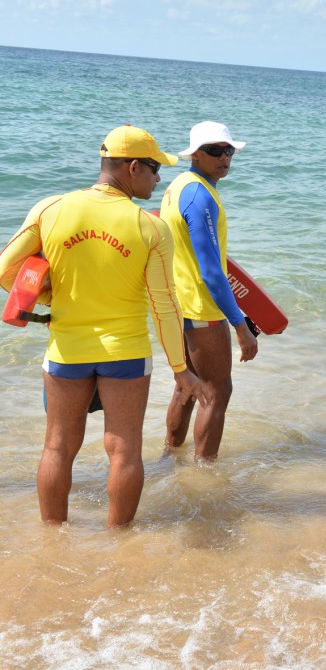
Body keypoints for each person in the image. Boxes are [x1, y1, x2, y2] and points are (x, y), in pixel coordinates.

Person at [0, 125, 209, 526]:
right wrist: (182, 372)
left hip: (67, 349)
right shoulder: (149, 226)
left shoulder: (51, 208)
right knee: (125, 450)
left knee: (58, 447)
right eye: (153, 168)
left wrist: (47, 300)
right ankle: (119, 541)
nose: (159, 176)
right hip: (126, 353)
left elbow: (7, 272)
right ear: (132, 167)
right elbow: (164, 307)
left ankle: (52, 538)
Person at [161, 121, 257, 462]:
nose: (224, 157)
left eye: (228, 150)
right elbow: (212, 272)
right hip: (200, 308)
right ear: (195, 155)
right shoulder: (201, 196)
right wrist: (240, 326)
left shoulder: (177, 187)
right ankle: (205, 476)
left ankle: (169, 458)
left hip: (177, 306)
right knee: (217, 392)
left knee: (187, 386)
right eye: (215, 151)